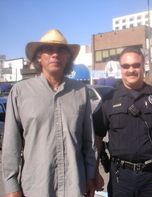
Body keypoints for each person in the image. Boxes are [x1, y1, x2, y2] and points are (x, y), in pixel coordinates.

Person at [2, 29, 97, 197]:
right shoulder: (20, 92)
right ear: (39, 57)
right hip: (36, 186)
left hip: (74, 185)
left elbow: (88, 141)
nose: (55, 54)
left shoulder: (80, 91)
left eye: (61, 50)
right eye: (49, 49)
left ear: (67, 57)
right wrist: (12, 186)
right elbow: (11, 145)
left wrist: (91, 175)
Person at [93, 47, 152, 197]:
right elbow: (98, 138)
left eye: (136, 65)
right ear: (121, 68)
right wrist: (94, 171)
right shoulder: (109, 99)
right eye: (126, 66)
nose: (131, 70)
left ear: (143, 66)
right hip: (120, 176)